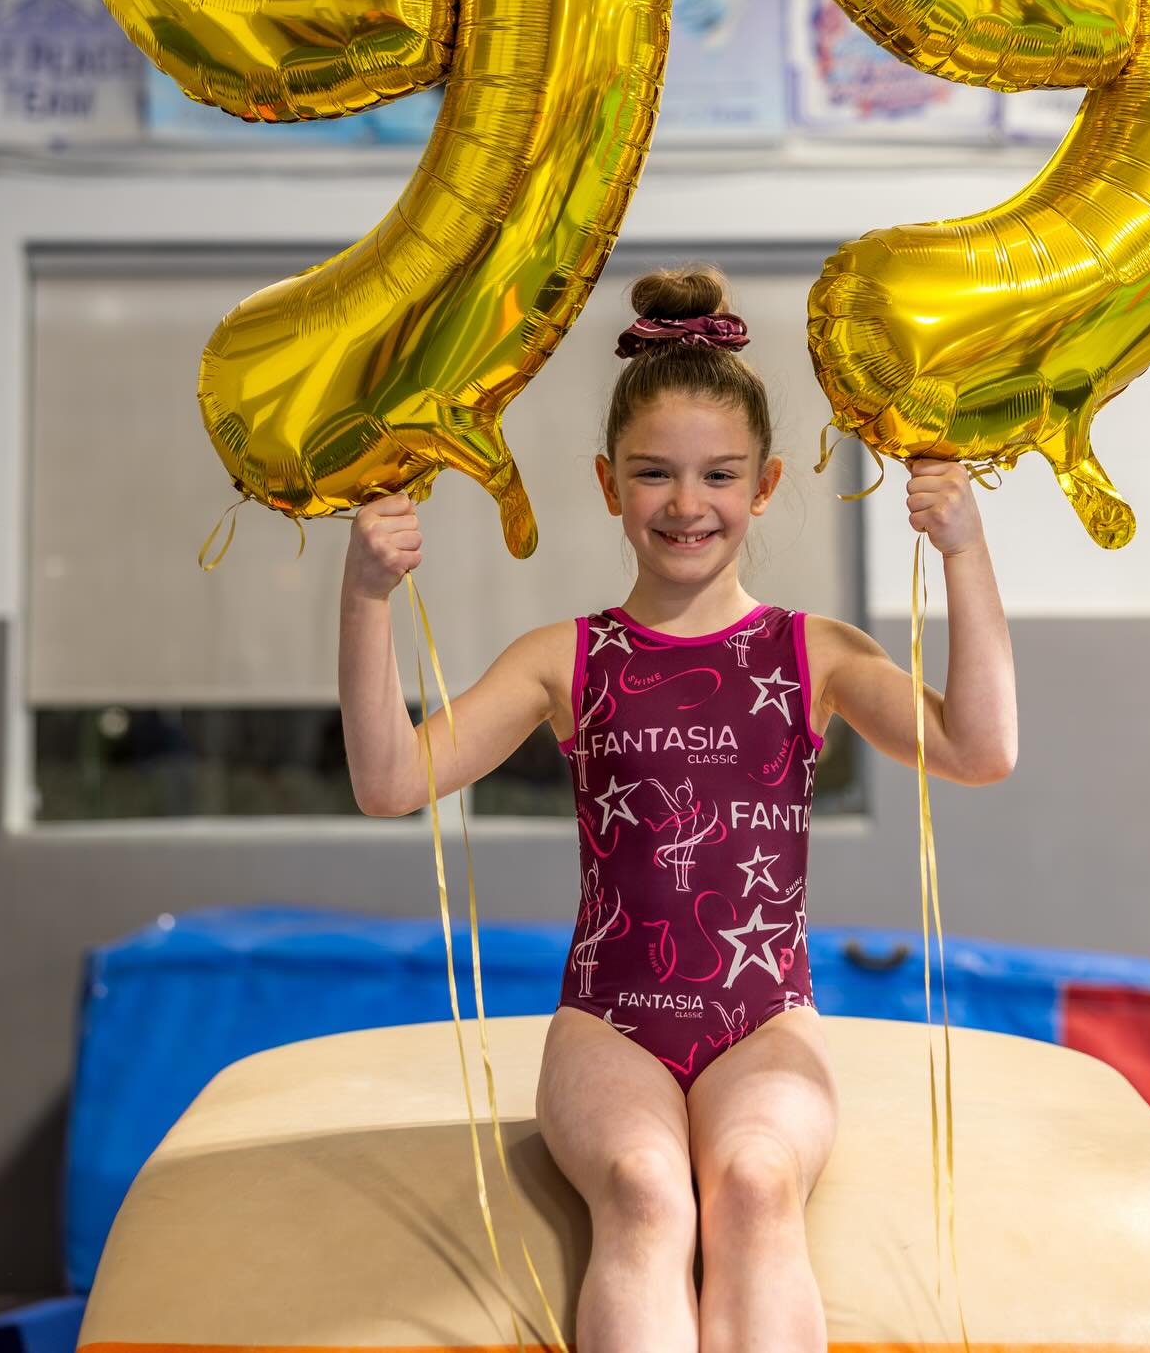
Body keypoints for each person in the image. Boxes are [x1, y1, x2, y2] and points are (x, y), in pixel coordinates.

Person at [338, 265, 1018, 1353]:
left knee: (753, 1180)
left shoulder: (813, 651)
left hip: (763, 1013)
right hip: (613, 1020)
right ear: (609, 484)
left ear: (766, 482)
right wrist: (367, 597)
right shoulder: (566, 656)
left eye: (718, 474)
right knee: (649, 1186)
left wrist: (966, 550)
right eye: (654, 473)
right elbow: (388, 779)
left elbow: (981, 748)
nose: (686, 502)